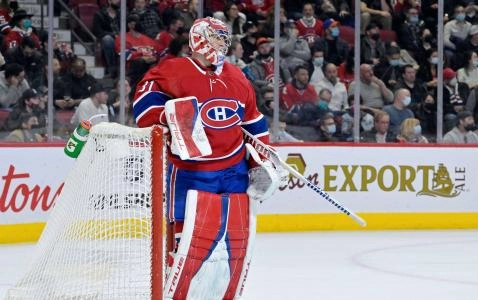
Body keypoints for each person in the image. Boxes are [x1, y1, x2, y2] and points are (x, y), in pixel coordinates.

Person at [132, 17, 286, 299]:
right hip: (191, 170)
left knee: (235, 243)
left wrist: (262, 160)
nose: (223, 44)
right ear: (198, 39)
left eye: (225, 39)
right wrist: (165, 116)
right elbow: (143, 107)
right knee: (187, 242)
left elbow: (252, 120)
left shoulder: (237, 76)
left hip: (234, 169)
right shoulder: (172, 70)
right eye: (217, 38)